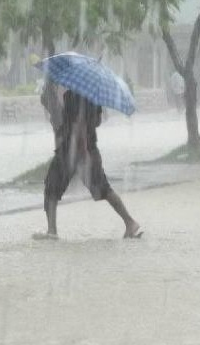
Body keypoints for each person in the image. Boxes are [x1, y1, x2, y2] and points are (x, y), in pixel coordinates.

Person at [38, 87, 142, 239]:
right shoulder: (93, 97)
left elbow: (77, 125)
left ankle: (52, 231)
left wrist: (82, 151)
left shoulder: (72, 95)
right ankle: (130, 222)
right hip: (89, 150)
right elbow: (97, 121)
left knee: (51, 188)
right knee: (103, 189)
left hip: (73, 150)